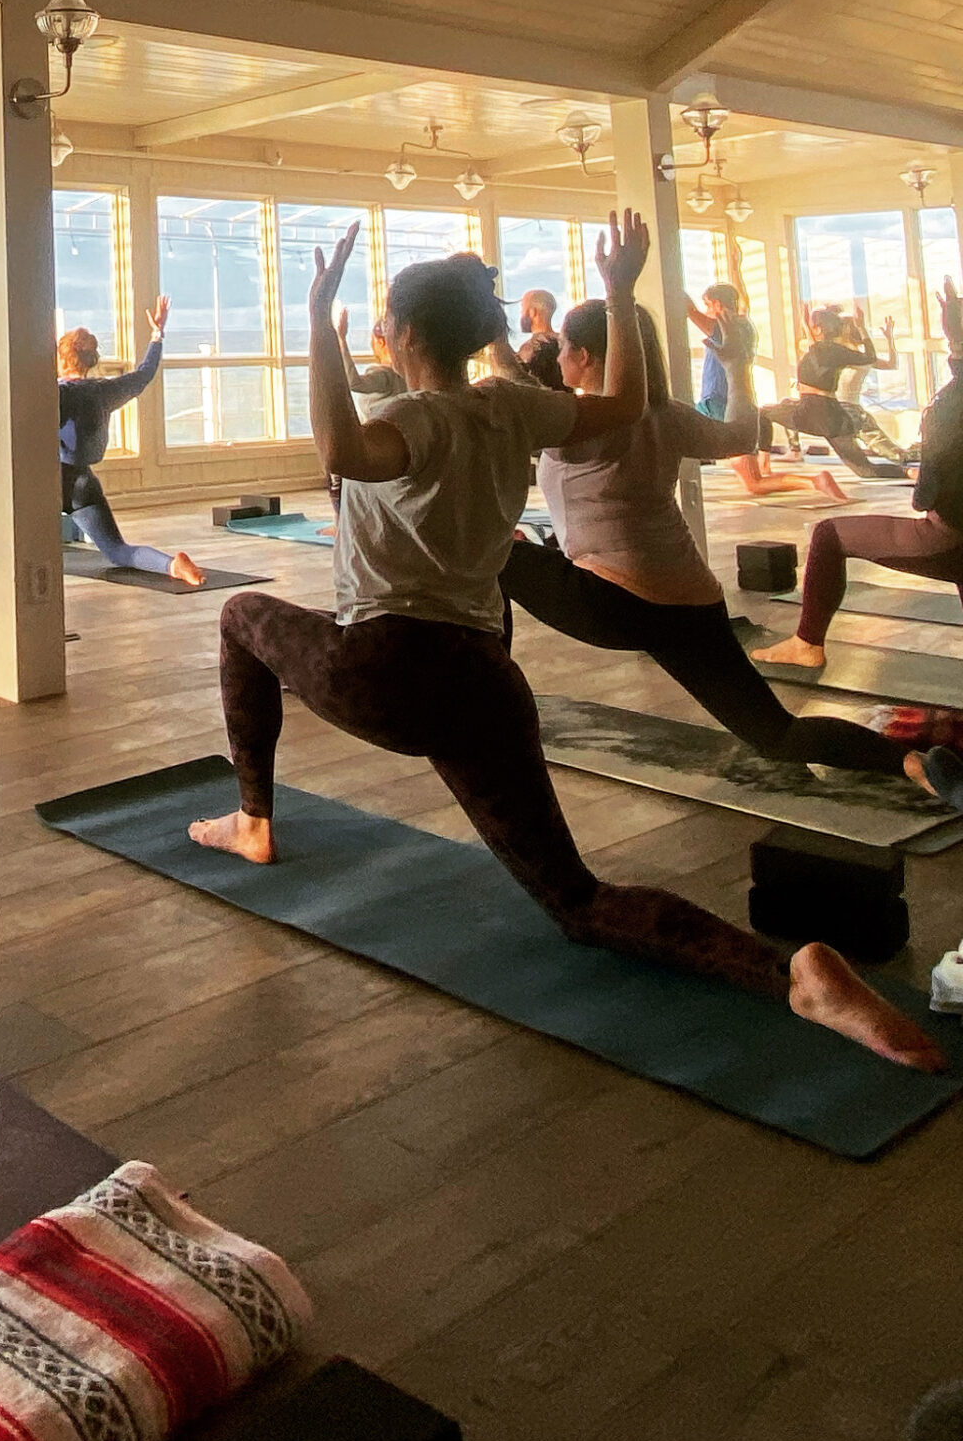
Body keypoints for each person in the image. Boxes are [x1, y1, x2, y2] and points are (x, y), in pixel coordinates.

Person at [186, 215, 940, 1072]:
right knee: (579, 900)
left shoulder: (412, 417)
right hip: (485, 684)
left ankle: (254, 821)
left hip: (386, 672)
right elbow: (620, 404)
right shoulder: (511, 407)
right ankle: (791, 975)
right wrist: (619, 296)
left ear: (397, 333)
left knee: (239, 613)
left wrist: (317, 326)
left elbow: (342, 449)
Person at [500, 294, 948, 798]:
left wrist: (492, 332)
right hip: (694, 605)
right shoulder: (666, 415)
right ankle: (917, 765)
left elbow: (507, 402)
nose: (556, 355)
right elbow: (740, 435)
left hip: (617, 604)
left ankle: (486, 695)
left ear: (584, 356)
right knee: (777, 734)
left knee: (495, 553)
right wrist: (737, 367)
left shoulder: (578, 421)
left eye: (562, 346)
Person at [757, 281, 963, 714]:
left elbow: (927, 494)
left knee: (830, 534)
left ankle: (806, 644)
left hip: (949, 535)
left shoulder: (951, 404)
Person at [60, 303, 204, 586]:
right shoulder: (104, 390)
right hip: (85, 485)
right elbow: (143, 375)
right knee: (117, 550)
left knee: (19, 548)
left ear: (63, 359)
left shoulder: (57, 393)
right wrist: (156, 334)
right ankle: (172, 565)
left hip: (53, 481)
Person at [682, 284, 848, 503]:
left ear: (718, 305)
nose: (706, 311)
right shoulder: (745, 325)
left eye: (708, 305)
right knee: (753, 481)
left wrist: (674, 284)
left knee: (754, 483)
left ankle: (816, 481)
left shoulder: (725, 327)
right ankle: (814, 481)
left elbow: (689, 311)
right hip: (737, 403)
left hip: (721, 405)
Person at [768, 303, 912, 480]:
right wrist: (807, 326)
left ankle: (914, 464)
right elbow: (817, 347)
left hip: (846, 411)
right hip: (843, 411)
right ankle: (795, 450)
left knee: (893, 457)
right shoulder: (838, 354)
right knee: (785, 405)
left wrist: (880, 335)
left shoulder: (842, 355)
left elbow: (887, 363)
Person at [516, 287, 564, 391]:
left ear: (533, 312)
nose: (520, 313)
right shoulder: (566, 342)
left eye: (522, 308)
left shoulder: (528, 348)